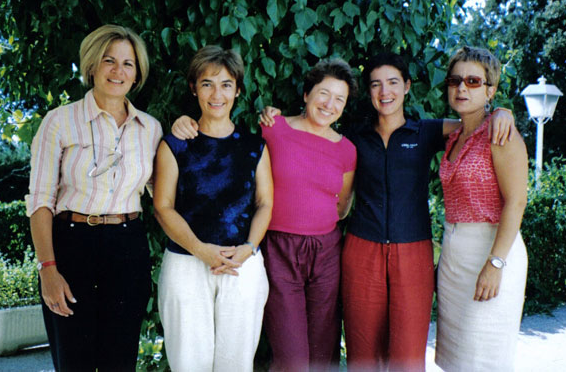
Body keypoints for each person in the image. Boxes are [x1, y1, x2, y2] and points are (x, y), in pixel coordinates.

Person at [258, 52, 515, 371]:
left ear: (407, 86)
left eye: (393, 82)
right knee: (363, 354)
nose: (385, 91)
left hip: (413, 252)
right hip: (361, 250)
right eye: (376, 84)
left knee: (406, 359)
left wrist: (501, 112)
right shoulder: (352, 137)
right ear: (368, 92)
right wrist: (272, 116)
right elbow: (324, 161)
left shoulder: (427, 131)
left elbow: (472, 122)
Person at [172, 58, 357, 371]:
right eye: (323, 94)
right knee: (292, 355)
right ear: (306, 94)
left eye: (340, 99)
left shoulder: (346, 149)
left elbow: (341, 204)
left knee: (324, 348)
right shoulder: (274, 128)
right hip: (280, 247)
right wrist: (182, 122)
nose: (330, 104)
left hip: (326, 250)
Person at [26, 24, 162, 371]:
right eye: (109, 61)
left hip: (127, 247)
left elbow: (165, 197)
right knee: (75, 362)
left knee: (120, 361)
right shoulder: (59, 122)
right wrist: (48, 270)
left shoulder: (151, 129)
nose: (118, 71)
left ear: (138, 73)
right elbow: (40, 201)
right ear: (91, 66)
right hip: (72, 247)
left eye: (128, 63)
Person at [154, 45, 273, 372]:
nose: (216, 93)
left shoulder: (254, 146)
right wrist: (199, 250)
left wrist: (249, 248)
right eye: (207, 83)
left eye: (225, 84)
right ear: (194, 88)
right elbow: (163, 207)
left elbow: (265, 203)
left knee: (236, 364)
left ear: (237, 90)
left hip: (242, 264)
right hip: (185, 263)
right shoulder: (175, 144)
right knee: (189, 362)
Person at [435, 46, 528, 371]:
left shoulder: (500, 134)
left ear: (490, 90)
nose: (462, 88)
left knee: (483, 357)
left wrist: (496, 263)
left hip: (492, 252)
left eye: (474, 81)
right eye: (455, 80)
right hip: (454, 256)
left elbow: (516, 201)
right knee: (457, 357)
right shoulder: (454, 134)